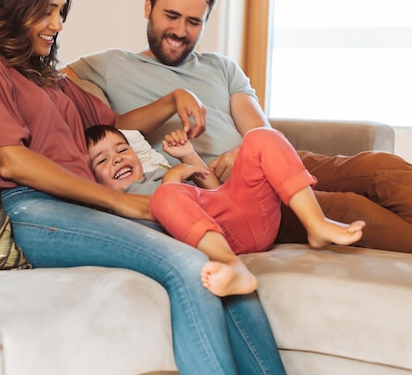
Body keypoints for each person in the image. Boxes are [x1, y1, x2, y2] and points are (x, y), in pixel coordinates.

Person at [0, 0, 287, 374]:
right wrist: (119, 201)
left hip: (79, 208)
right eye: (48, 10)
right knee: (189, 266)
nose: (58, 23)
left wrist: (171, 100)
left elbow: (113, 125)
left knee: (218, 255)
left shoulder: (46, 75)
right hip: (30, 209)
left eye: (61, 11)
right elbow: (11, 160)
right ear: (16, 5)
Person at [66, 0, 412, 254]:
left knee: (379, 167)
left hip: (267, 161)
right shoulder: (108, 66)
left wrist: (241, 153)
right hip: (227, 194)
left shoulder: (221, 66)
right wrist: (172, 100)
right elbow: (100, 117)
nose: (180, 31)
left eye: (194, 21)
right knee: (351, 207)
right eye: (171, 16)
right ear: (148, 7)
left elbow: (262, 131)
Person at [85, 125, 365, 297]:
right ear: (92, 178)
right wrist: (173, 180)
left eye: (122, 149)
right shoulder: (117, 202)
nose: (117, 158)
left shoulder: (158, 170)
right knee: (166, 196)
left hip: (248, 215)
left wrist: (188, 158)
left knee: (261, 137)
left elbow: (214, 189)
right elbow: (161, 217)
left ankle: (315, 223)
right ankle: (233, 267)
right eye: (102, 160)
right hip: (219, 238)